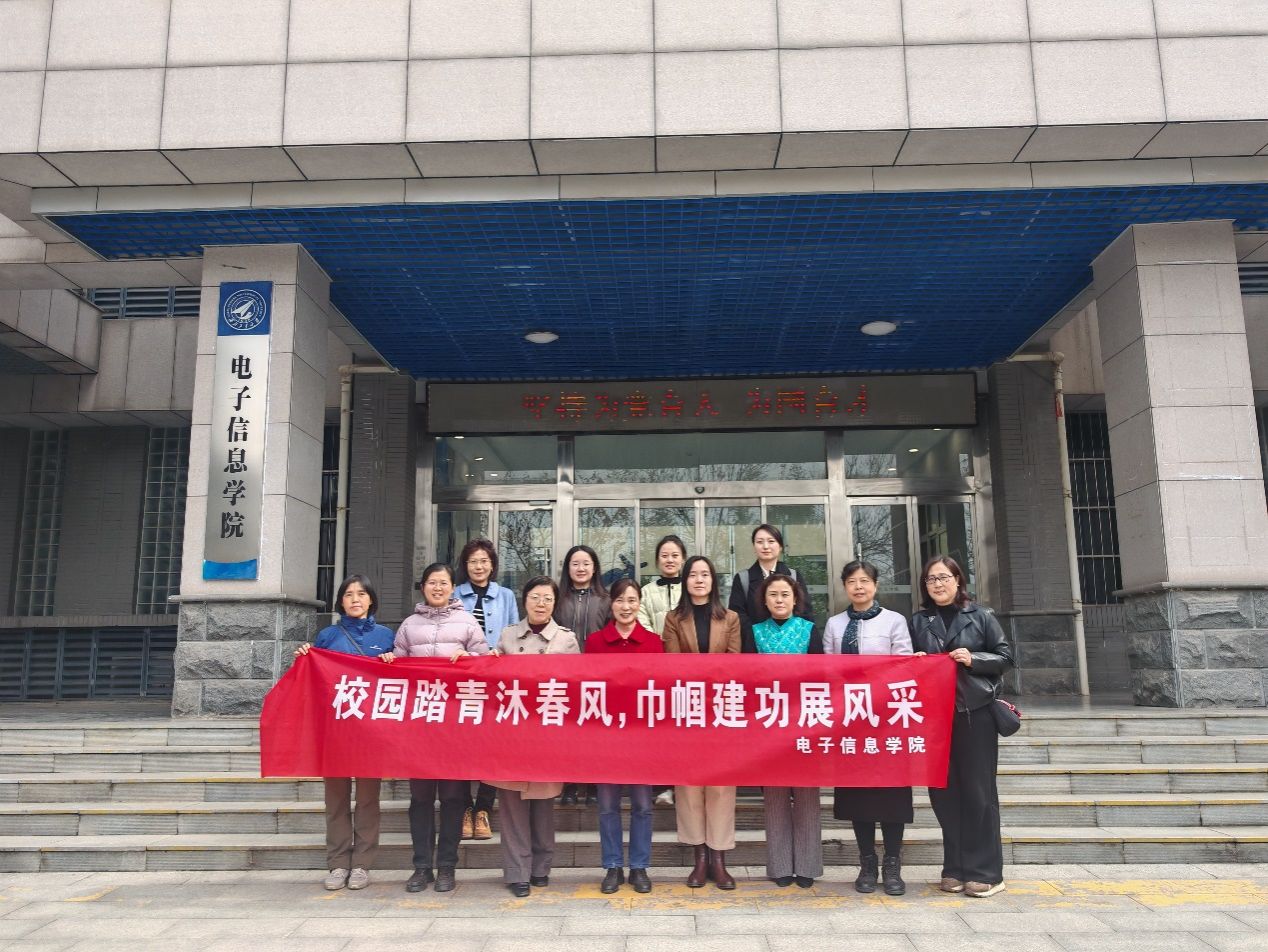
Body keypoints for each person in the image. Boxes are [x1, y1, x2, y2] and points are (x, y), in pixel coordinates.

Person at [381, 563, 489, 894]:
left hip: (456, 727)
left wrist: (469, 658)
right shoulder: (409, 625)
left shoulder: (468, 622)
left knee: (454, 798)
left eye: (443, 582)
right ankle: (421, 867)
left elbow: (485, 665)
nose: (437, 587)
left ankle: (447, 867)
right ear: (423, 587)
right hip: (420, 726)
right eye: (431, 582)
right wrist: (390, 661)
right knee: (421, 799)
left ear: (453, 587)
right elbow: (397, 671)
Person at [911, 554, 1013, 899]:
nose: (938, 584)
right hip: (935, 718)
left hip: (975, 713)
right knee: (943, 794)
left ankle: (986, 871)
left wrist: (974, 659)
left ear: (958, 580)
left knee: (978, 793)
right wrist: (915, 663)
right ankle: (954, 866)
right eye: (931, 579)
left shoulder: (981, 616)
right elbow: (907, 663)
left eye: (944, 577)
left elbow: (1005, 658)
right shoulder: (919, 621)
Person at [295, 574, 396, 892]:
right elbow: (314, 680)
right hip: (335, 731)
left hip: (371, 734)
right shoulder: (327, 636)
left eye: (361, 594)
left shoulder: (385, 636)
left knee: (367, 800)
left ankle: (362, 864)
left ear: (371, 600)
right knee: (336, 800)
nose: (355, 599)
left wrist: (392, 661)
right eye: (349, 594)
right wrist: (305, 658)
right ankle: (338, 863)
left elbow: (396, 683)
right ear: (340, 601)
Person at [824, 560, 914, 896]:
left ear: (875, 585)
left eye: (864, 581)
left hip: (887, 720)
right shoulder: (835, 624)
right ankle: (867, 863)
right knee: (858, 795)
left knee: (892, 795)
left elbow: (903, 665)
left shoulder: (894, 621)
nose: (858, 587)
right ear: (844, 587)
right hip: (851, 721)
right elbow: (828, 670)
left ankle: (892, 863)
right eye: (852, 581)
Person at [490, 576, 582, 897]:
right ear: (524, 600)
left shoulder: (567, 640)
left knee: (543, 805)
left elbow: (575, 687)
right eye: (535, 597)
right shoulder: (507, 636)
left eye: (547, 598)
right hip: (512, 733)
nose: (541, 604)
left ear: (555, 603)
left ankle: (541, 867)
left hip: (547, 734)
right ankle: (517, 872)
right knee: (512, 805)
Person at [662, 555, 742, 889]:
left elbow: (735, 663)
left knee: (721, 785)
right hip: (687, 708)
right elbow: (672, 664)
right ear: (686, 581)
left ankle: (719, 859)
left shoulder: (731, 618)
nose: (699, 579)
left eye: (705, 574)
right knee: (690, 784)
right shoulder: (673, 618)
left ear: (713, 580)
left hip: (722, 708)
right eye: (693, 574)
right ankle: (699, 858)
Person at [584, 578, 663, 894]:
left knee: (643, 805)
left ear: (639, 604)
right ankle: (613, 866)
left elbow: (660, 690)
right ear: (611, 604)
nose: (626, 607)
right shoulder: (595, 642)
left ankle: (640, 867)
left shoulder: (654, 643)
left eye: (632, 600)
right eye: (620, 600)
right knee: (607, 805)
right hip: (606, 736)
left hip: (642, 737)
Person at [748, 574, 825, 888]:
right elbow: (747, 678)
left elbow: (821, 675)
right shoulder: (754, 632)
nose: (779, 600)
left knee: (806, 794)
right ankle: (780, 866)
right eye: (773, 595)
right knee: (775, 795)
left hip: (805, 719)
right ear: (764, 601)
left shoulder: (809, 630)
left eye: (785, 594)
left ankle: (807, 865)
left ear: (796, 599)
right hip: (769, 722)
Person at [454, 539, 519, 842]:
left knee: (492, 743)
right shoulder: (454, 595)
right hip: (462, 679)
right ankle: (465, 808)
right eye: (473, 561)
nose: (478, 567)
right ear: (465, 566)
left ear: (492, 565)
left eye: (484, 561)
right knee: (462, 743)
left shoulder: (506, 596)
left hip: (495, 680)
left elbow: (513, 634)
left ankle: (483, 809)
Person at [554, 544, 611, 805]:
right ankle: (569, 783)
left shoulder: (606, 599)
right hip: (564, 675)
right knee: (568, 733)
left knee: (594, 731)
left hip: (598, 675)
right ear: (568, 568)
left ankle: (593, 784)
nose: (581, 568)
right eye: (575, 563)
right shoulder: (558, 599)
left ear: (595, 567)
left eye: (586, 563)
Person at [727, 523, 813, 631]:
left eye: (771, 541)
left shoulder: (793, 576)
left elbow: (805, 613)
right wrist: (759, 635)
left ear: (780, 546)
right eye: (760, 542)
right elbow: (737, 616)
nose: (766, 546)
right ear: (754, 547)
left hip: (790, 638)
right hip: (754, 638)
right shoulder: (743, 579)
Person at [637, 534, 686, 637]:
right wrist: (655, 642)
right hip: (655, 646)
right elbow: (642, 623)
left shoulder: (690, 589)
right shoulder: (646, 591)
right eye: (664, 556)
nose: (670, 560)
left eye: (675, 556)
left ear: (683, 559)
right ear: (657, 560)